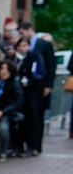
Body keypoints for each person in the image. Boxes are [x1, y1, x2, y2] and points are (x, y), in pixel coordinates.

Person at [18, 21, 56, 153]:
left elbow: (51, 66)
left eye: (23, 32)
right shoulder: (22, 46)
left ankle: (36, 146)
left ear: (29, 30)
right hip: (27, 87)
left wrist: (48, 86)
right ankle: (26, 144)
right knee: (28, 115)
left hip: (40, 86)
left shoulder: (45, 44)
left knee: (37, 115)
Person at [14, 38, 46, 156]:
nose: (22, 48)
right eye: (20, 45)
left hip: (31, 93)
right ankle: (18, 145)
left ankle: (33, 146)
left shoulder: (34, 57)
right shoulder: (15, 58)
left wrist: (30, 81)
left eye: (25, 45)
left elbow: (39, 73)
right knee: (19, 120)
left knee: (32, 118)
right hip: (18, 93)